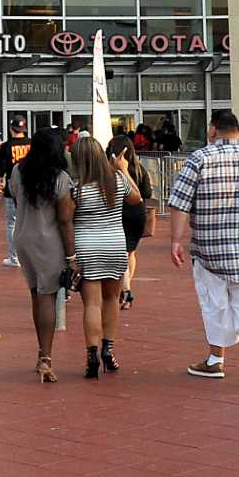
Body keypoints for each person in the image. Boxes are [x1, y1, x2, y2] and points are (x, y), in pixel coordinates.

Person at [167, 111, 239, 386]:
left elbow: (180, 203)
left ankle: (215, 360)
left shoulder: (199, 160)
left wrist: (176, 240)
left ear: (212, 130)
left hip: (211, 250)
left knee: (214, 304)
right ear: (238, 130)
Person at [8, 128, 73, 383]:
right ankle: (45, 358)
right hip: (49, 241)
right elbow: (65, 220)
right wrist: (71, 257)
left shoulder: (18, 171)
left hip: (23, 237)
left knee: (36, 294)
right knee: (48, 296)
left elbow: (14, 194)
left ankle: (41, 351)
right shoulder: (61, 178)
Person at [68, 135, 133, 378]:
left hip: (88, 246)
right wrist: (123, 170)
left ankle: (91, 354)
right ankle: (109, 349)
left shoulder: (77, 189)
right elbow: (136, 198)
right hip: (115, 244)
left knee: (91, 303)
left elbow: (68, 218)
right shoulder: (116, 181)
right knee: (112, 299)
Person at [110, 135, 154, 307]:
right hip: (137, 214)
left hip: (119, 212)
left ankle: (124, 289)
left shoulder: (112, 170)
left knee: (121, 251)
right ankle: (126, 288)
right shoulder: (140, 169)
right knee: (130, 252)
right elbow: (147, 193)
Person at [0, 120, 31, 264]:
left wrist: (0, 181)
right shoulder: (31, 143)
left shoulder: (6, 146)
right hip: (30, 183)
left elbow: (1, 168)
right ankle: (29, 255)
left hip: (13, 184)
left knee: (12, 222)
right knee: (29, 220)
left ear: (11, 129)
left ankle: (14, 256)